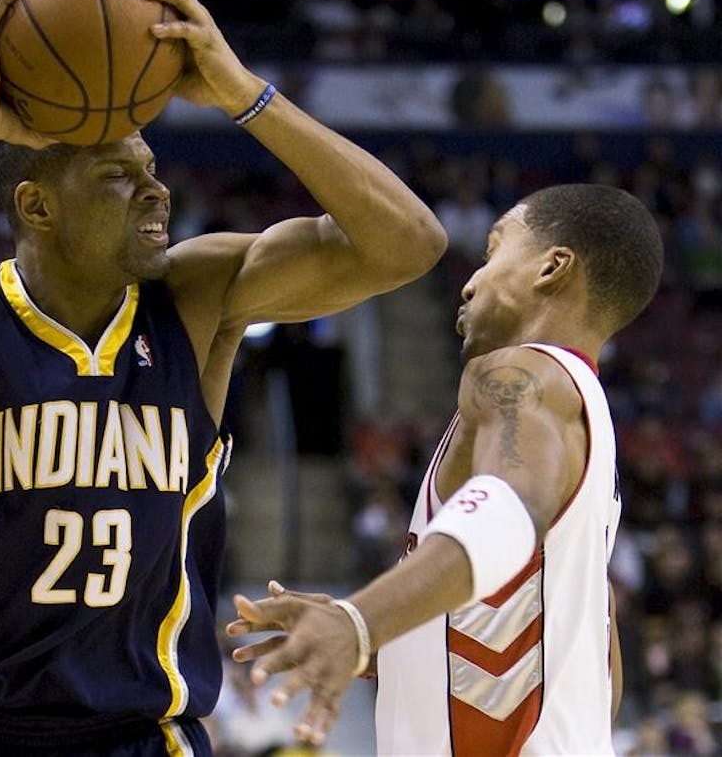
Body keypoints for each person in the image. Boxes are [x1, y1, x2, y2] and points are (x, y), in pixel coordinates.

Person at [0, 0, 446, 757]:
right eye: (117, 177)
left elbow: (408, 243)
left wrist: (244, 94)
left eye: (152, 167)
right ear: (37, 205)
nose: (156, 190)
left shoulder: (196, 299)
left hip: (146, 735)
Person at [228, 183, 664, 755]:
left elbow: (510, 508)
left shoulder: (517, 374)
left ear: (551, 268)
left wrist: (360, 623)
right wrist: (388, 640)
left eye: (493, 252)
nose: (469, 281)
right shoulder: (583, 416)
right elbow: (591, 654)